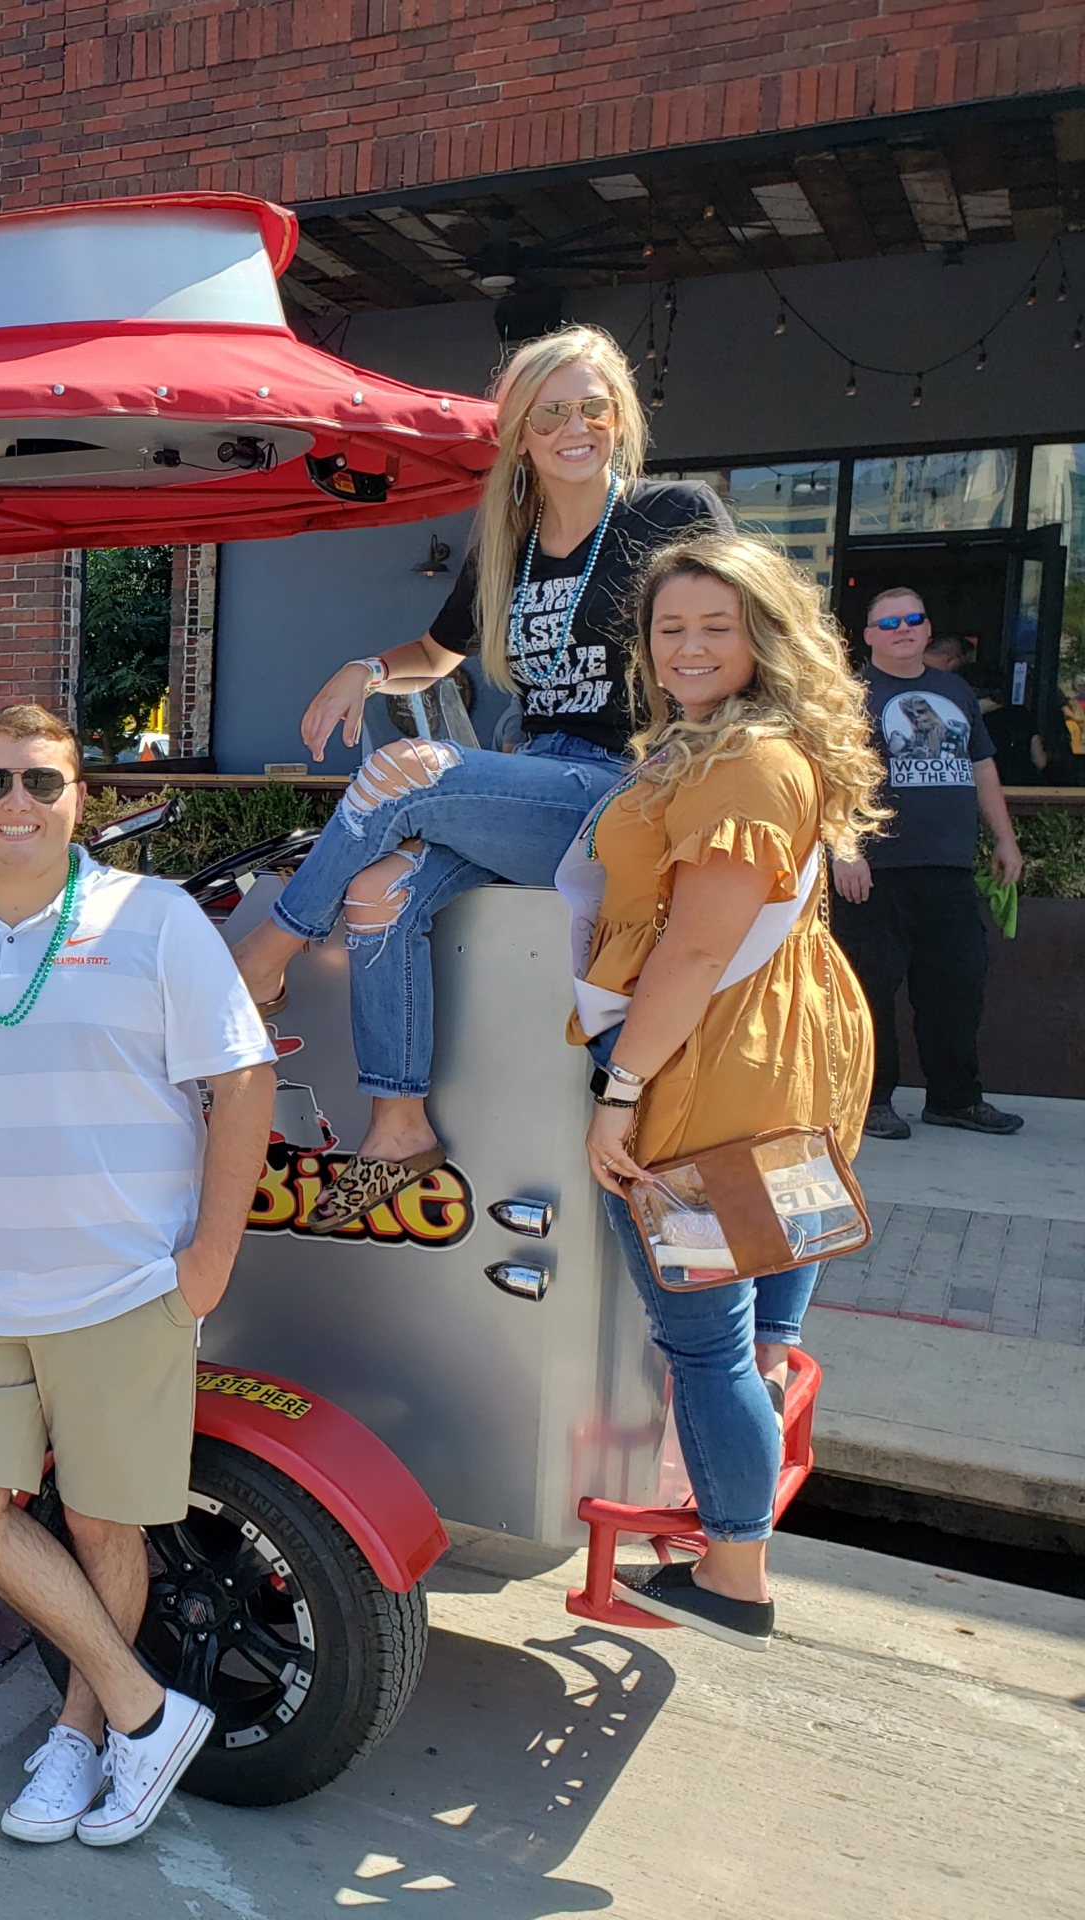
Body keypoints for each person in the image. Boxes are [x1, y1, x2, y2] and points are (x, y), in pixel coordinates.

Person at [0, 703, 278, 1848]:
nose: (15, 803)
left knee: (101, 1529)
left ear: (79, 799)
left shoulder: (156, 919)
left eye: (41, 781)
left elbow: (244, 1081)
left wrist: (209, 1260)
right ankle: (145, 1711)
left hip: (125, 1284)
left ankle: (85, 1739)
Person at [229, 324, 731, 1232]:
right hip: (533, 783)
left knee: (405, 770)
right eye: (549, 415)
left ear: (620, 417)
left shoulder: (670, 514)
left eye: (593, 408)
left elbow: (745, 628)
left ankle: (263, 955)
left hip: (629, 786)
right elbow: (436, 649)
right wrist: (369, 669)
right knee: (382, 888)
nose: (575, 428)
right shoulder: (509, 539)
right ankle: (398, 1124)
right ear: (522, 437)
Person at [565, 532, 880, 1650]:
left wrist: (620, 1090)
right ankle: (730, 1498)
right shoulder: (761, 746)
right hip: (789, 1058)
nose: (688, 646)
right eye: (670, 628)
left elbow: (693, 956)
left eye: (715, 626)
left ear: (763, 636)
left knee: (702, 1339)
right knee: (758, 1330)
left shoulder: (739, 764)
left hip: (710, 1075)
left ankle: (735, 1569)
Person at [831, 588, 1026, 1139]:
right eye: (888, 621)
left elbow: (982, 766)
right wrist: (844, 850)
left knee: (957, 986)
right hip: (875, 871)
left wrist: (1005, 842)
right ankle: (871, 1102)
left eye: (913, 618)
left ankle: (955, 1098)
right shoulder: (847, 696)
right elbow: (828, 778)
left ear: (927, 627)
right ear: (868, 636)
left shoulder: (954, 689)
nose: (903, 628)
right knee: (870, 990)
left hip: (949, 868)